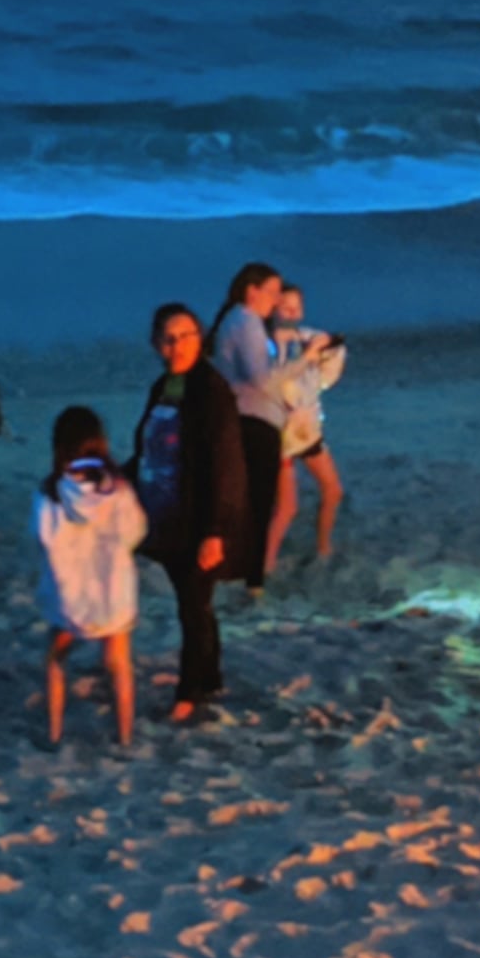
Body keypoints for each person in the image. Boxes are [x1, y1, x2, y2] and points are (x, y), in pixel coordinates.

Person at [136, 300, 250, 721]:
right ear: (155, 344)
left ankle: (190, 693)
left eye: (185, 337)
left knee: (194, 605)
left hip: (198, 519)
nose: (177, 346)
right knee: (193, 602)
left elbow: (225, 462)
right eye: (168, 339)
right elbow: (147, 447)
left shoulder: (210, 389)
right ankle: (211, 675)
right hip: (166, 516)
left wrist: (216, 529)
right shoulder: (164, 386)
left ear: (199, 339)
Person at [34, 405, 149, 748]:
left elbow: (42, 537)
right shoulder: (118, 490)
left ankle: (55, 732)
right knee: (118, 665)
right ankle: (124, 736)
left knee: (55, 659)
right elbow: (135, 532)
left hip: (70, 598)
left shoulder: (51, 492)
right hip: (112, 594)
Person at [210, 264, 294, 597]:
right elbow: (260, 378)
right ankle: (252, 581)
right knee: (256, 504)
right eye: (272, 292)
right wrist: (295, 368)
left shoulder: (240, 321)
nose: (275, 301)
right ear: (252, 291)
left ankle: (245, 575)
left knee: (248, 502)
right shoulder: (245, 321)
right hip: (253, 421)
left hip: (246, 418)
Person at [268, 278, 347, 574]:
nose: (290, 313)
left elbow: (328, 370)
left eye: (295, 307)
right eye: (284, 307)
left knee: (333, 489)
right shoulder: (268, 345)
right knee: (287, 507)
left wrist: (328, 350)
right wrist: (307, 357)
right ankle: (265, 564)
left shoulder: (307, 336)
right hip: (282, 435)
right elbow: (276, 382)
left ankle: (323, 547)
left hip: (308, 429)